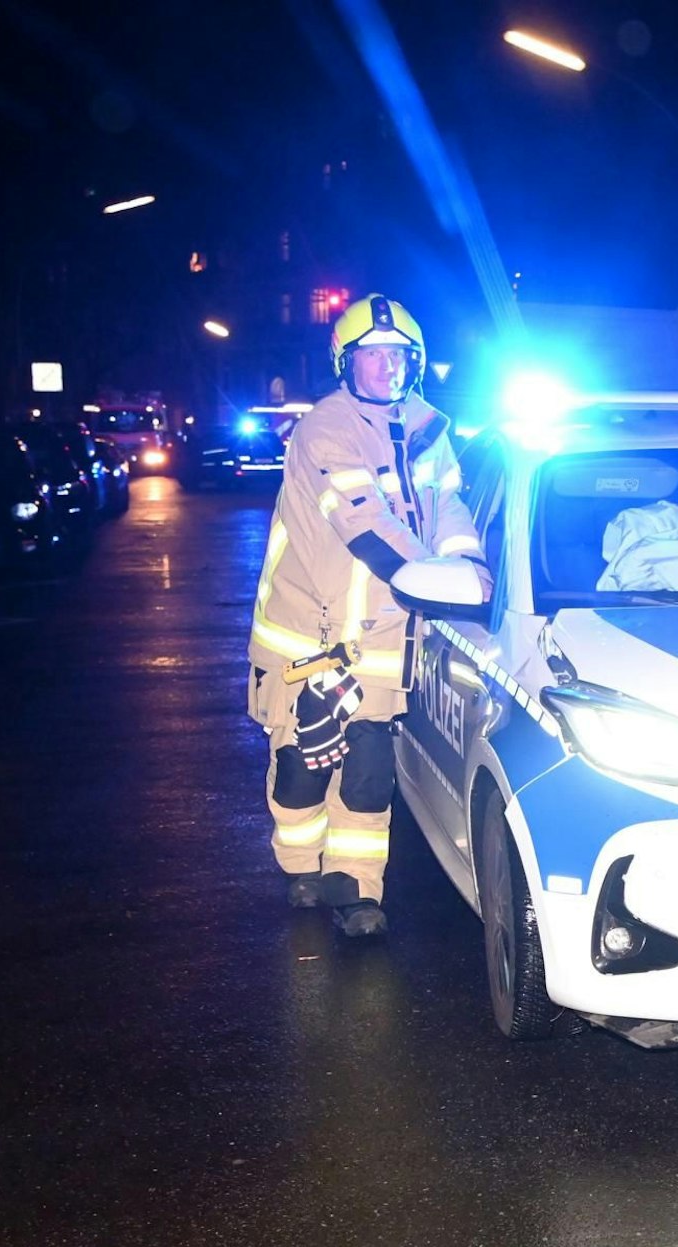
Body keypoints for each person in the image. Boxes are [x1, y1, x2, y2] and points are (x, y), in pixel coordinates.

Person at [246, 294, 486, 937]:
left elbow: (450, 510)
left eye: (399, 356)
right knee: (302, 765)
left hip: (381, 638)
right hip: (307, 636)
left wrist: (473, 571)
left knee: (368, 767)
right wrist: (426, 575)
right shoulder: (325, 428)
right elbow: (365, 523)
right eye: (373, 356)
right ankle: (300, 863)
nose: (387, 368)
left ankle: (356, 891)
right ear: (345, 364)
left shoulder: (431, 426)